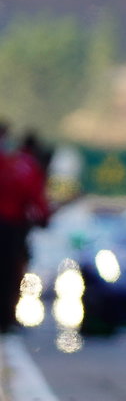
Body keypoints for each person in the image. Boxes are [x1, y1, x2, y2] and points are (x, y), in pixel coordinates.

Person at [0, 125, 51, 330]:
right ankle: (6, 316)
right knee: (11, 272)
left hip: (13, 227)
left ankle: (6, 316)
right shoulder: (22, 165)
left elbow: (35, 198)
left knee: (11, 272)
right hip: (12, 228)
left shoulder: (20, 165)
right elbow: (36, 199)